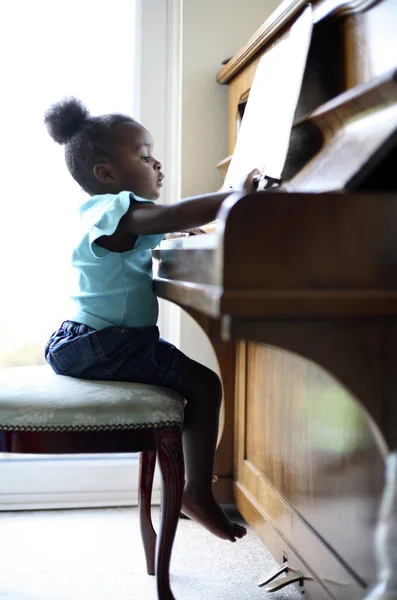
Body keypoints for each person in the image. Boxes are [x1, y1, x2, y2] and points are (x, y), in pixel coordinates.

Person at [44, 97, 259, 543]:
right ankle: (195, 491)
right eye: (144, 156)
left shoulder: (110, 215)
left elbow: (158, 228)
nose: (156, 162)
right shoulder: (118, 207)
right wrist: (238, 195)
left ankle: (190, 488)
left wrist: (176, 233)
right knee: (204, 385)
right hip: (107, 343)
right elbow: (171, 214)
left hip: (86, 339)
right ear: (106, 174)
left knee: (194, 383)